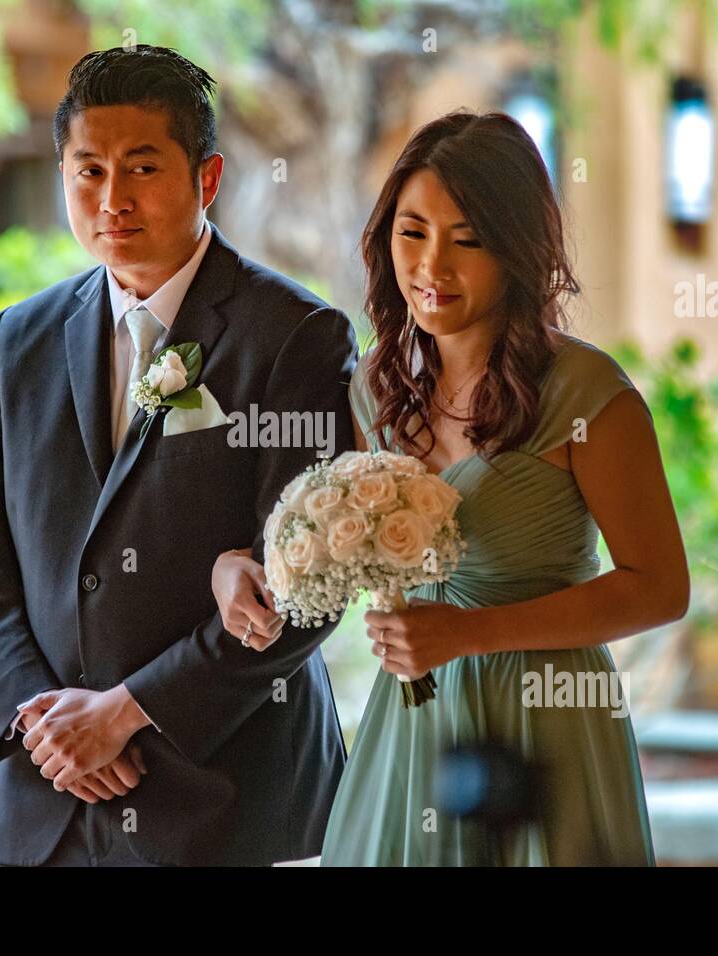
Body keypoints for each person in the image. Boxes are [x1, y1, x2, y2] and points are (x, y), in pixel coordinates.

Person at [211, 110, 689, 865]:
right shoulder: (377, 388)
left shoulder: (587, 393)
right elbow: (348, 548)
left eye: (467, 240)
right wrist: (243, 567)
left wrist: (471, 635)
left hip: (546, 718)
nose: (432, 267)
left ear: (519, 250)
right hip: (411, 723)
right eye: (412, 232)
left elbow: (660, 588)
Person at [0, 45, 356, 866]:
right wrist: (43, 723)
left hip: (224, 801)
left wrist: (124, 712)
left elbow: (309, 584)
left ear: (208, 178)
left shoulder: (296, 337)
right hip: (45, 802)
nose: (111, 199)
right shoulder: (18, 339)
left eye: (142, 167)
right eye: (87, 170)